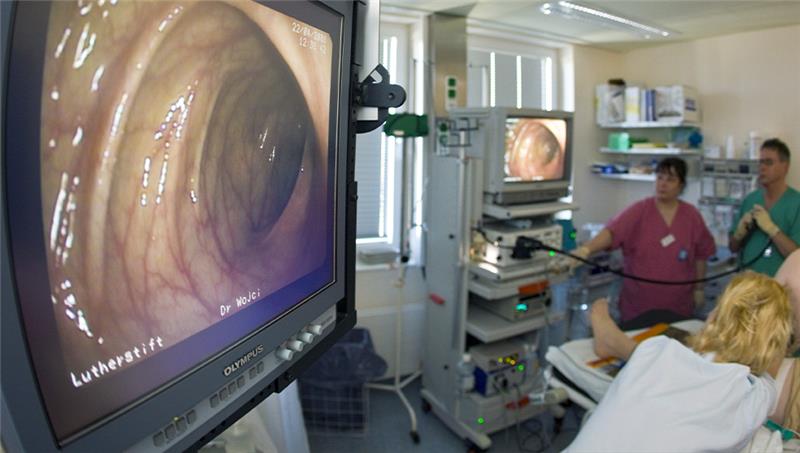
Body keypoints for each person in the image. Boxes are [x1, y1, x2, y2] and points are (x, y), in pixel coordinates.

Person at [566, 272, 795, 452]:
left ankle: (611, 339)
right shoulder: (756, 398)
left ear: (714, 315)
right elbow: (770, 369)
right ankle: (611, 340)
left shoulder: (658, 350)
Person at [572, 157, 716, 329]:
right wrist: (586, 249)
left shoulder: (691, 216)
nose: (663, 184)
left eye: (670, 179)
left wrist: (698, 289)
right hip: (639, 305)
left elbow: (701, 255)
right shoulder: (640, 211)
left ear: (681, 185)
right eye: (660, 178)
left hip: (679, 305)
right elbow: (612, 232)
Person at [730, 138, 800, 277]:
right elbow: (733, 248)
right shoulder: (750, 200)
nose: (762, 167)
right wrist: (739, 234)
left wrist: (772, 229)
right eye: (761, 162)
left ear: (785, 167)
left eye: (769, 162)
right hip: (748, 282)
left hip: (780, 288)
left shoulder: (796, 203)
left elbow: (796, 256)